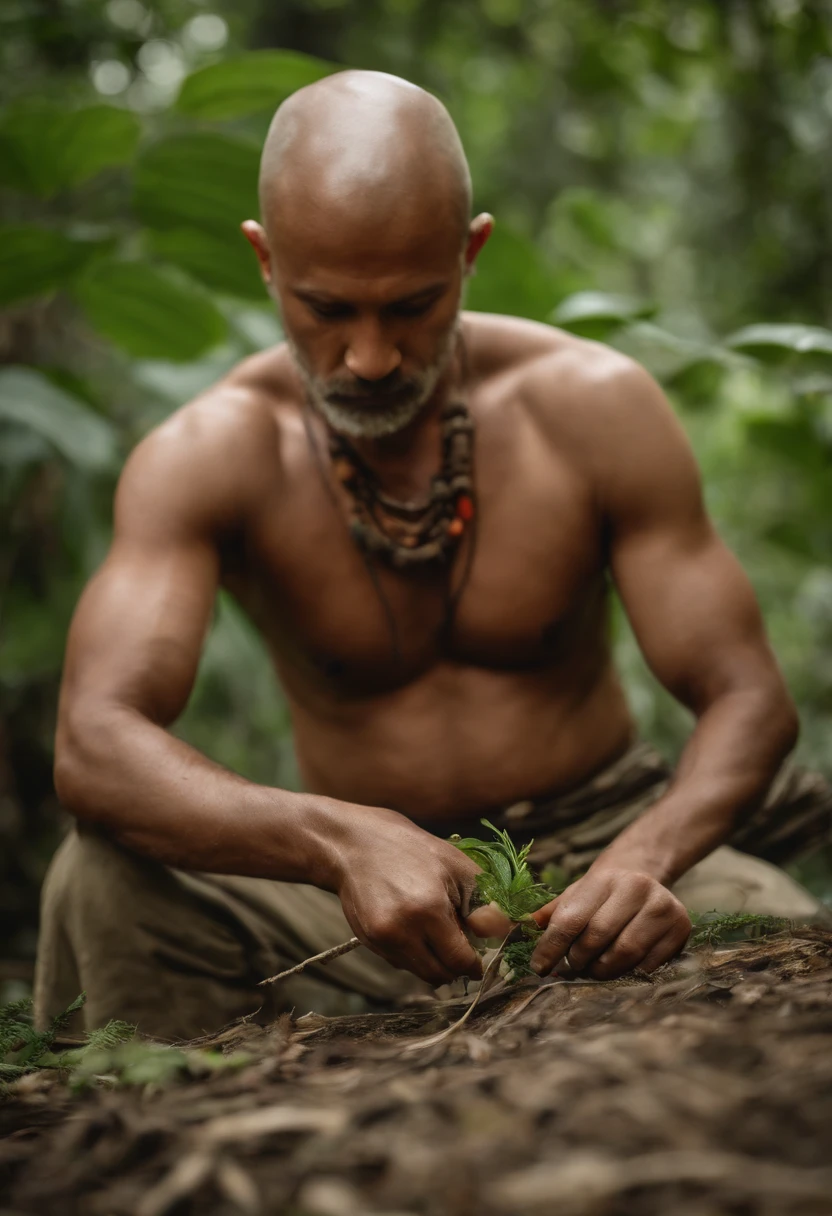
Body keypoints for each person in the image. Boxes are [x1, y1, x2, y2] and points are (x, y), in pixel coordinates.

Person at [35, 70, 831, 1040]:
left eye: (411, 304)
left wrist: (642, 861)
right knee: (100, 876)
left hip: (603, 847)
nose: (369, 357)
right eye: (328, 309)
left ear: (470, 253)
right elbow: (96, 740)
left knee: (777, 948)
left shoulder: (590, 406)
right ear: (266, 262)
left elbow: (747, 697)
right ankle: (176, 1128)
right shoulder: (209, 454)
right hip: (349, 886)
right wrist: (333, 837)